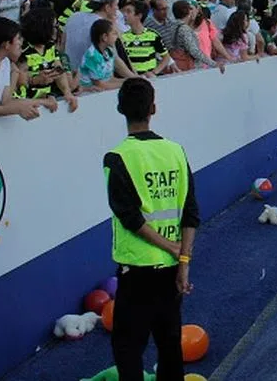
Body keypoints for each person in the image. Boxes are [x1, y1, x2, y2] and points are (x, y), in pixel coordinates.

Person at [104, 77, 200, 381]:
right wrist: (182, 260)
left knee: (128, 348)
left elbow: (129, 217)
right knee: (170, 344)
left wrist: (170, 248)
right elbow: (191, 213)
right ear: (153, 108)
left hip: (137, 271)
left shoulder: (117, 157)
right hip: (171, 270)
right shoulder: (176, 151)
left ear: (120, 109)